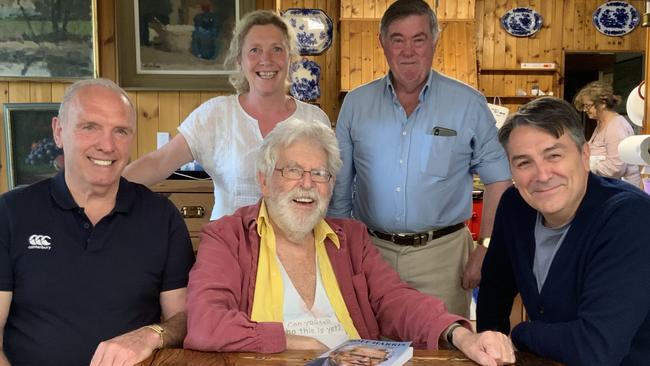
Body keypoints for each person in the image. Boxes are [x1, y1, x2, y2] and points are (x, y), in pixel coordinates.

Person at [184, 118, 516, 366]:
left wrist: (460, 334)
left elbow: (395, 299)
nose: (308, 184)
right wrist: (295, 342)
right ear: (265, 181)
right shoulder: (228, 237)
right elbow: (204, 323)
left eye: (320, 174)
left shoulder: (350, 239)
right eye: (293, 171)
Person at [327, 0, 511, 317]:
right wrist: (343, 253)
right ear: (383, 44)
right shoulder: (356, 104)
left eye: (419, 39)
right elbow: (341, 187)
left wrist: (485, 248)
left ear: (434, 42)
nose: (408, 51)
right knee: (373, 351)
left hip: (444, 259)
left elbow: (499, 178)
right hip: (372, 254)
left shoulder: (468, 103)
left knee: (442, 351)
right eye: (397, 39)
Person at [0, 79, 195, 366]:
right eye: (90, 127)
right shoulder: (10, 213)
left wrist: (153, 334)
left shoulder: (161, 216)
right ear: (58, 131)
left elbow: (184, 319)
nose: (107, 145)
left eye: (121, 131)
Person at [477, 97, 650, 366]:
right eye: (524, 163)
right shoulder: (515, 205)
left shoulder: (630, 218)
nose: (542, 175)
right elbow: (494, 288)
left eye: (554, 155)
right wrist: (490, 344)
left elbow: (596, 348)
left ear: (584, 155)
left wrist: (519, 334)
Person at [123, 10, 330, 221]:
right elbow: (159, 162)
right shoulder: (217, 115)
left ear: (290, 57)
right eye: (255, 50)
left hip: (299, 249)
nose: (266, 59)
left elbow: (326, 189)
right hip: (231, 249)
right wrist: (102, 191)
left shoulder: (314, 120)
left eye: (277, 49)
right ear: (239, 59)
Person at [573, 80, 641, 186]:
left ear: (603, 103)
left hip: (620, 190)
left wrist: (586, 163)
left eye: (587, 106)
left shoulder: (616, 126)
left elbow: (616, 168)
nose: (585, 110)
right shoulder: (601, 124)